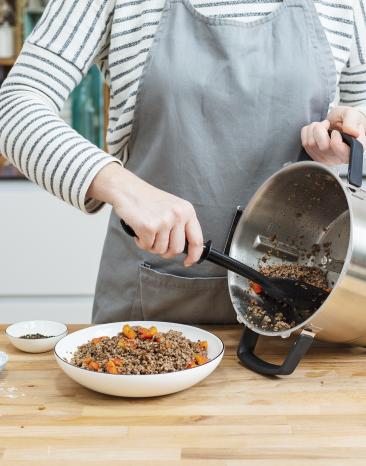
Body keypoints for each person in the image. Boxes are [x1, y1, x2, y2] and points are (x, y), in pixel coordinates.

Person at [0, 0, 365, 324]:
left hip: (308, 312)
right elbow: (14, 108)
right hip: (152, 308)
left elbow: (360, 114)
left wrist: (345, 138)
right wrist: (124, 187)